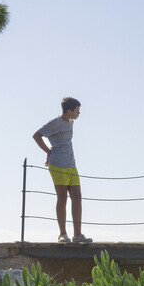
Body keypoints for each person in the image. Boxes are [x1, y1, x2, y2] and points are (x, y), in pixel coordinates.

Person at [33, 97, 93, 243]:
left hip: (72, 165)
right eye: (77, 110)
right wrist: (48, 151)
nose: (79, 113)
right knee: (62, 198)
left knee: (77, 197)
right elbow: (37, 136)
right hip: (58, 164)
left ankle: (77, 235)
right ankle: (63, 234)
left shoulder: (71, 122)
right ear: (69, 111)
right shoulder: (55, 123)